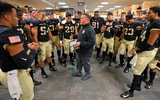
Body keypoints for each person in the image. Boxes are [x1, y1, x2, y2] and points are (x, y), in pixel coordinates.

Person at [0, 1, 38, 100]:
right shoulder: (9, 33)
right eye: (15, 16)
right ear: (7, 17)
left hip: (5, 70)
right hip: (16, 75)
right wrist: (34, 50)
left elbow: (8, 49)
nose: (18, 19)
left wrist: (26, 46)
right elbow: (24, 62)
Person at [120, 6, 160, 99]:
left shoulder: (157, 24)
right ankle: (137, 85)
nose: (147, 15)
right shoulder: (150, 22)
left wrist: (138, 50)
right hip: (145, 50)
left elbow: (150, 42)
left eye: (150, 13)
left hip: (146, 51)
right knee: (141, 69)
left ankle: (131, 92)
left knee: (137, 71)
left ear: (156, 14)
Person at [32, 10, 57, 78]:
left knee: (49, 55)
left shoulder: (46, 22)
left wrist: (52, 40)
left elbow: (49, 31)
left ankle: (50, 66)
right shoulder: (36, 22)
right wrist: (37, 44)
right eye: (42, 14)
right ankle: (42, 71)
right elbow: (34, 35)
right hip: (41, 42)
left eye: (44, 14)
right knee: (42, 59)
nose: (43, 15)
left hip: (47, 41)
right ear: (38, 15)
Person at [72, 13, 95, 81]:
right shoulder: (83, 27)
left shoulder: (90, 29)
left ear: (87, 20)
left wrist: (81, 43)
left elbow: (92, 42)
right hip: (80, 50)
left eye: (82, 18)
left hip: (86, 51)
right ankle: (78, 72)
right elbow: (81, 37)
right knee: (79, 61)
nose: (80, 20)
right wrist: (74, 36)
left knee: (86, 63)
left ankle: (88, 74)